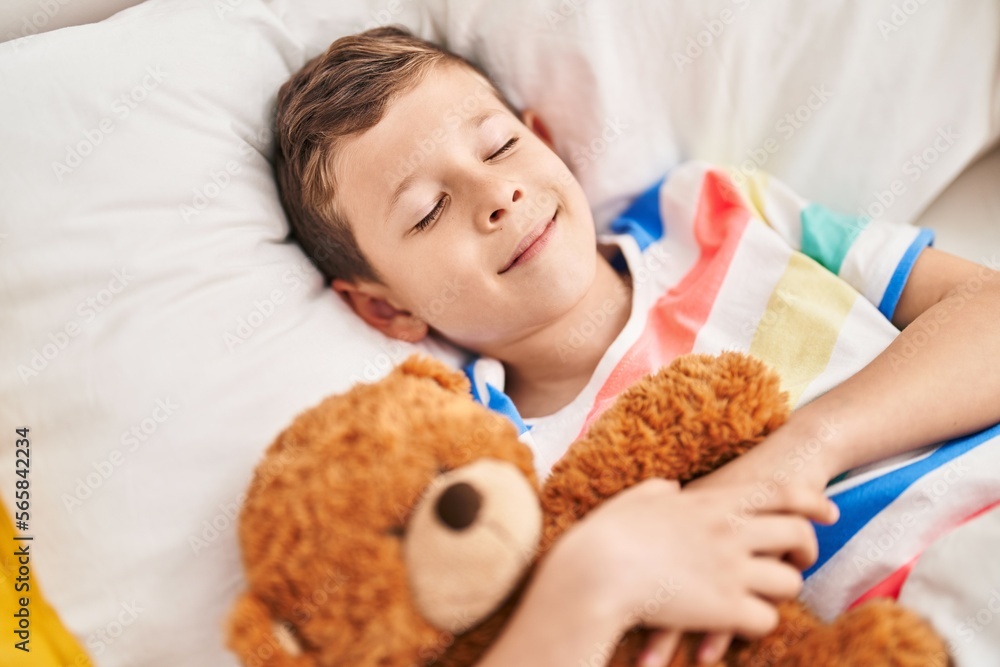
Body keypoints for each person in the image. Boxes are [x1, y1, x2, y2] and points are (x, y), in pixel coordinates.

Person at [271, 26, 1000, 665]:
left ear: (544, 141)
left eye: (499, 147)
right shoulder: (487, 455)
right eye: (428, 212)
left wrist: (805, 449)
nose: (498, 196)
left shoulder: (713, 210)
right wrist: (589, 581)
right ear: (382, 305)